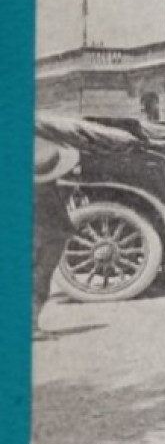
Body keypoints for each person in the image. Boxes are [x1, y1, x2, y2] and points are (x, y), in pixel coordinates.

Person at [32, 129, 81, 341]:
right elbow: (57, 215)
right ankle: (30, 326)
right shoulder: (47, 190)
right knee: (39, 278)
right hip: (46, 235)